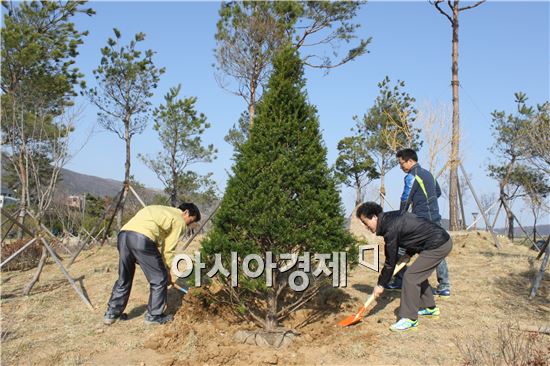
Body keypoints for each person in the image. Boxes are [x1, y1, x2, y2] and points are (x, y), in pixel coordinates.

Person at [356, 202, 452, 332]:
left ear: (374, 217)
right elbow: (412, 233)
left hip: (438, 244)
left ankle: (409, 318)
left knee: (411, 277)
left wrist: (380, 284)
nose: (365, 227)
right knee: (417, 273)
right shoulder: (390, 219)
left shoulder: (390, 227)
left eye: (365, 222)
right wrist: (408, 253)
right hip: (436, 242)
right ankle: (429, 307)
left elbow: (390, 261)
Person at [103, 203, 201, 326]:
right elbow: (168, 250)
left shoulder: (158, 209)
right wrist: (167, 271)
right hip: (142, 239)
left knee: (124, 277)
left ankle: (112, 313)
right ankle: (154, 315)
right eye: (190, 221)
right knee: (160, 279)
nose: (188, 225)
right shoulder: (179, 220)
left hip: (123, 236)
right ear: (186, 212)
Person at [385, 148, 451, 298]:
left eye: (401, 163)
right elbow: (438, 192)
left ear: (410, 161)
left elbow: (405, 198)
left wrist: (400, 217)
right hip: (435, 218)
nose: (401, 166)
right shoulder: (428, 174)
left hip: (421, 221)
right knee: (436, 249)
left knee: (399, 248)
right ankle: (445, 286)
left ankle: (399, 280)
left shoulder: (411, 176)